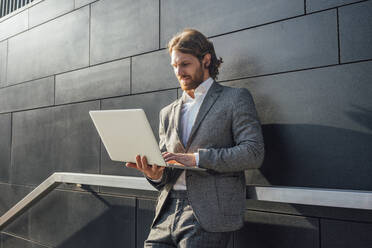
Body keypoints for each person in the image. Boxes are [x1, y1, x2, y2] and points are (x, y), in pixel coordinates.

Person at [126, 28, 264, 248]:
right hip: (166, 212)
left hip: (208, 215)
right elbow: (166, 170)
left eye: (185, 64)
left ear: (206, 60)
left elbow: (253, 153)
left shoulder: (235, 99)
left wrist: (197, 159)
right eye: (174, 66)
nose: (179, 72)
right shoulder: (167, 112)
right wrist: (155, 174)